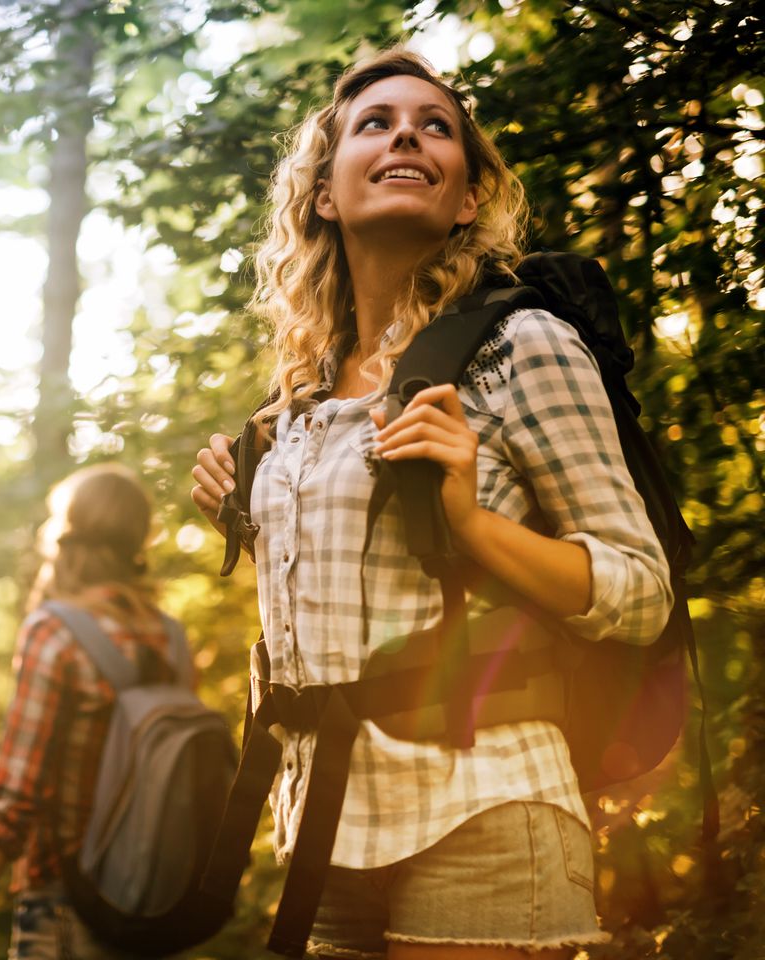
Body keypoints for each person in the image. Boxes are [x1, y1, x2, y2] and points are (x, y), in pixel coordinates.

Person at [190, 51, 672, 960]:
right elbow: (361, 606)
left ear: (464, 199)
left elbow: (641, 591)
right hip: (325, 828)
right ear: (325, 194)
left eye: (435, 126)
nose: (406, 132)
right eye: (374, 123)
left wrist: (472, 520)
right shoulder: (295, 404)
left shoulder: (524, 346)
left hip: (485, 810)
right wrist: (242, 514)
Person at [0, 464, 189, 960]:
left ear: (66, 532)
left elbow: (14, 801)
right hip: (151, 903)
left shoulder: (57, 632)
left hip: (69, 907)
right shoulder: (170, 638)